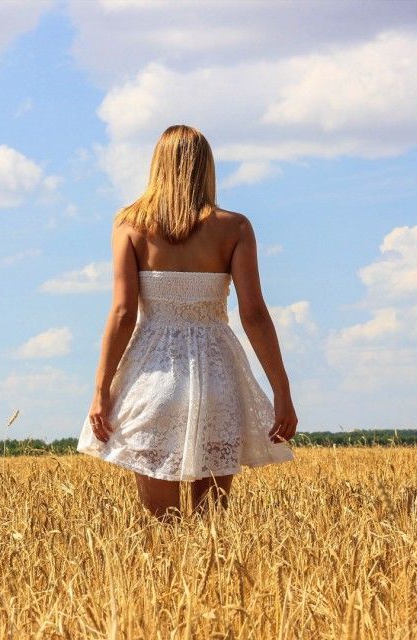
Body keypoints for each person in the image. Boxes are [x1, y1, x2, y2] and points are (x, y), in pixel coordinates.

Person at [77, 124, 298, 522]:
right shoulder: (235, 227)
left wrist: (100, 391)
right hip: (218, 378)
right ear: (206, 167)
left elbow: (124, 313)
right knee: (212, 523)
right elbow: (255, 315)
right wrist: (281, 391)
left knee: (164, 530)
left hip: (153, 380)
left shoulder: (129, 224)